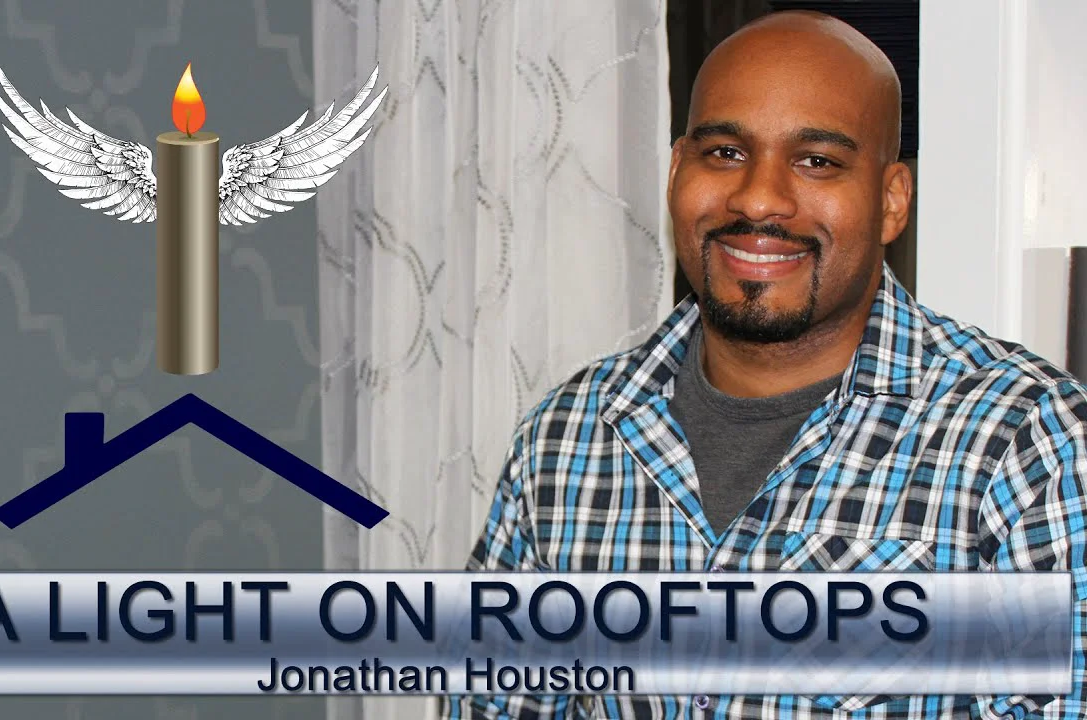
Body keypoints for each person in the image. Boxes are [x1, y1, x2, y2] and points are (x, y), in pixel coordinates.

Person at [440, 9, 1087, 720]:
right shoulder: (565, 438)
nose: (758, 197)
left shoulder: (1025, 443)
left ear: (890, 200)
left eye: (817, 161)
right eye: (725, 152)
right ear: (677, 172)